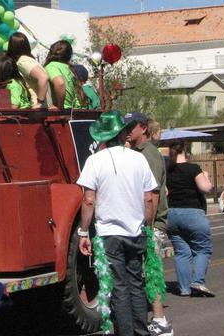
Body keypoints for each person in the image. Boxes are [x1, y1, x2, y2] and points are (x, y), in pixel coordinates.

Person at [76, 110, 157, 336]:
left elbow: (89, 200)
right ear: (123, 134)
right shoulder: (139, 159)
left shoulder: (94, 161)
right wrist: (147, 226)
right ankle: (141, 330)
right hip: (136, 230)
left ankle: (126, 332)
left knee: (119, 286)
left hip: (109, 233)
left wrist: (84, 232)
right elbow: (148, 198)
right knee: (136, 283)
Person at [125, 113, 172, 336]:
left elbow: (151, 194)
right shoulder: (137, 153)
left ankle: (160, 320)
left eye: (131, 127)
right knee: (143, 272)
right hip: (143, 222)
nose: (127, 130)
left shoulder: (149, 155)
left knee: (151, 270)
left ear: (143, 128)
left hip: (151, 223)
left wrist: (149, 226)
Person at [166, 141, 214, 297]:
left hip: (172, 214)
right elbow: (206, 188)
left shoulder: (167, 171)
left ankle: (184, 288)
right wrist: (206, 177)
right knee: (202, 249)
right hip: (192, 212)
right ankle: (198, 281)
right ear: (185, 151)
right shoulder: (193, 169)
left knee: (182, 252)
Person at [7, 32, 53, 109]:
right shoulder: (30, 60)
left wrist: (39, 102)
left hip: (36, 109)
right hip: (42, 109)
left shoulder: (23, 62)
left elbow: (43, 77)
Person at [42, 40, 88, 109]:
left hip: (60, 112)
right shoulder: (69, 68)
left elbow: (60, 84)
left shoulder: (51, 66)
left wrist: (60, 107)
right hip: (72, 110)